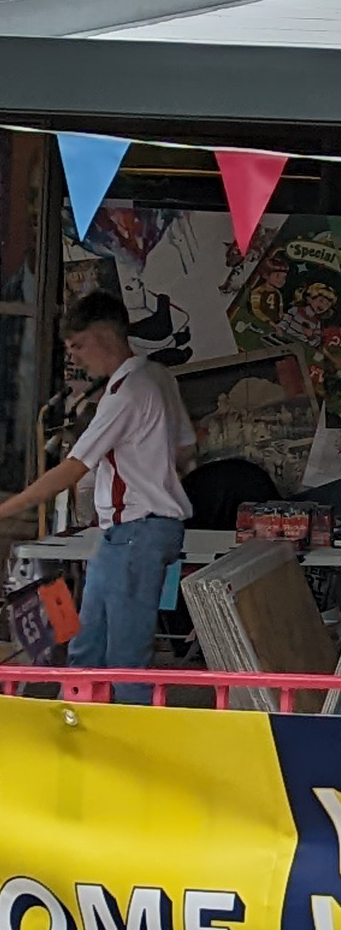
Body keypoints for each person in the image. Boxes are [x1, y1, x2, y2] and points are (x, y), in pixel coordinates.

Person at [0, 291, 193, 695]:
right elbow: (187, 449)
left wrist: (8, 508)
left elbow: (73, 469)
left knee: (125, 658)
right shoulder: (157, 377)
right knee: (87, 646)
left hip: (137, 531)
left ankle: (129, 743)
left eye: (78, 346)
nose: (76, 358)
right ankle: (83, 729)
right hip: (124, 532)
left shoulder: (127, 392)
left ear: (105, 336)